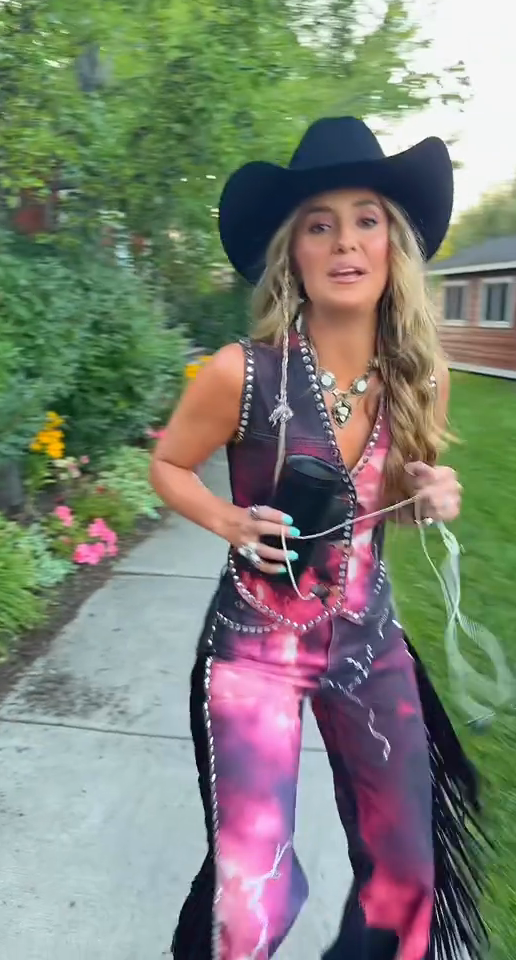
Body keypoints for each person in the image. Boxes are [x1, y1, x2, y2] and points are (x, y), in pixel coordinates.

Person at [150, 117, 486, 960]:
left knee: (406, 878)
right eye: (319, 224)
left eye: (367, 219)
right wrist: (229, 520)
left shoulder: (422, 378)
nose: (345, 242)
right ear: (292, 253)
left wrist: (426, 497)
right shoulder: (241, 372)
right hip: (255, 649)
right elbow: (169, 465)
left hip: (369, 646)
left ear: (394, 244)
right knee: (253, 899)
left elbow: (386, 502)